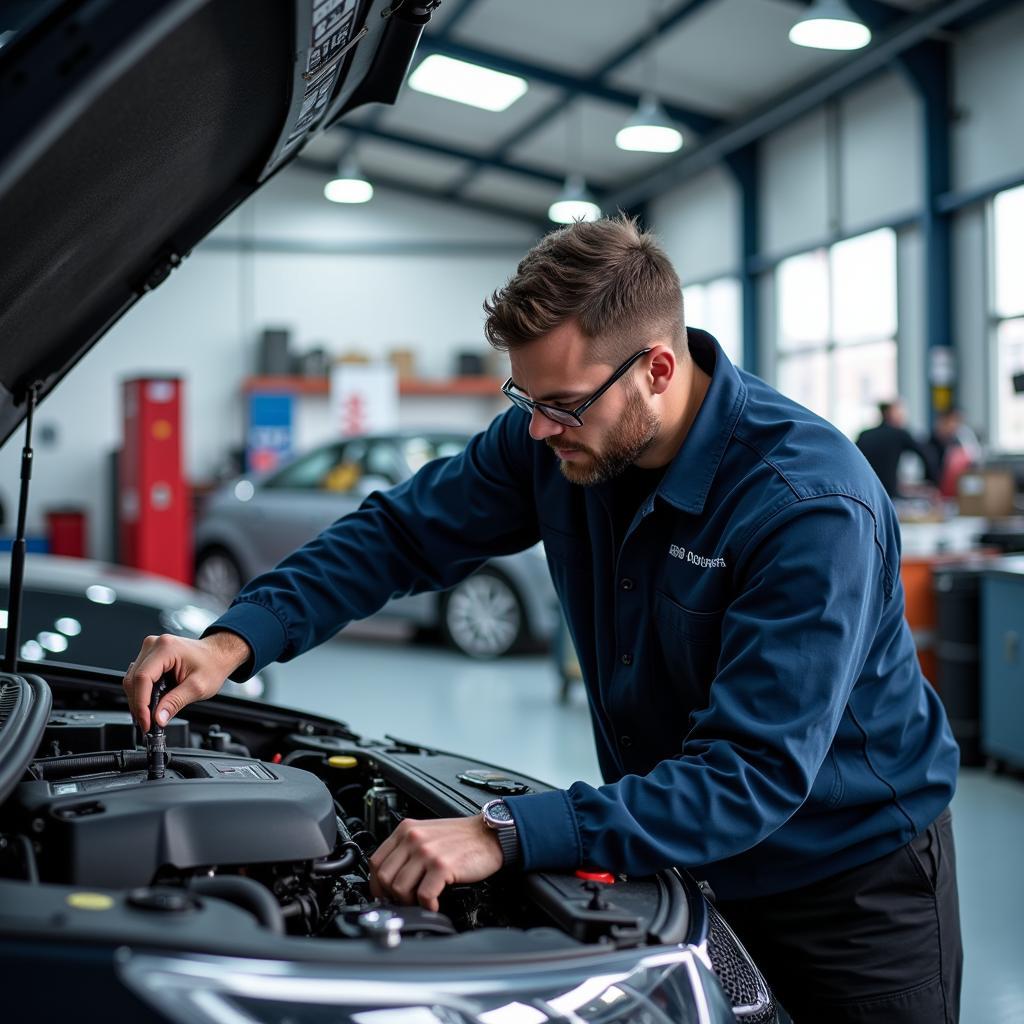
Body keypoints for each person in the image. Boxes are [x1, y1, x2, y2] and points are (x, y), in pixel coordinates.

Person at [123, 217, 961, 1023]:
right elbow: (399, 533)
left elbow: (750, 774)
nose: (535, 426)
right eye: (524, 395)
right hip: (678, 856)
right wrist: (234, 640)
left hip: (848, 888)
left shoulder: (805, 505)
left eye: (561, 403)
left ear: (657, 370)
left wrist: (509, 832)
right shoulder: (554, 442)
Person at [855, 399, 938, 498]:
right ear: (889, 413)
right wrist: (932, 481)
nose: (903, 416)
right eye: (899, 411)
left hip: (865, 491)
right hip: (889, 493)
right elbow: (926, 454)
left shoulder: (864, 435)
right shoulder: (899, 434)